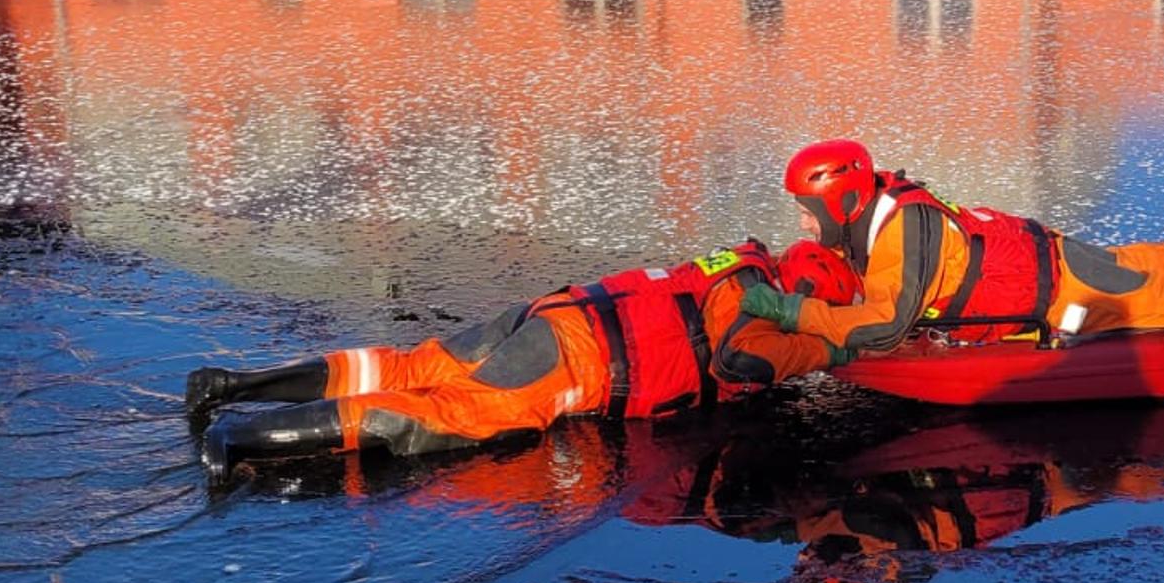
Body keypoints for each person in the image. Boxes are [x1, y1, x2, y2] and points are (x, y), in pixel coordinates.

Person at [741, 139, 1164, 395]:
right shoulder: (884, 210)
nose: (803, 223)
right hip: (1052, 259)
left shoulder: (902, 233)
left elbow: (882, 326)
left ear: (843, 201)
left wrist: (793, 313)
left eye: (807, 210)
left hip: (1064, 296)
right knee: (1150, 265)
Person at [189, 240, 861, 478]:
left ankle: (233, 384)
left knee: (408, 365)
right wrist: (823, 347)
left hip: (553, 313)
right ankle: (239, 436)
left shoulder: (732, 266)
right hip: (574, 360)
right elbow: (742, 364)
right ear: (802, 295)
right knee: (445, 418)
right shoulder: (756, 311)